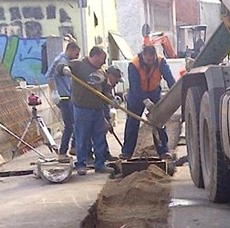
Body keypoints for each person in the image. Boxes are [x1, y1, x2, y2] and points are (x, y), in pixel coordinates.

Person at [60, 45, 116, 176]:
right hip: (82, 109)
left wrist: (111, 99)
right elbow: (61, 65)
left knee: (99, 138)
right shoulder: (79, 65)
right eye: (102, 59)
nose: (103, 63)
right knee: (82, 137)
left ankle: (100, 164)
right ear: (95, 56)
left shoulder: (101, 72)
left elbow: (105, 90)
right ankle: (81, 164)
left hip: (97, 109)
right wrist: (64, 69)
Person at [123, 45, 176, 159]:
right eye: (148, 60)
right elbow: (135, 86)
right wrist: (145, 100)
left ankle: (163, 150)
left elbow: (170, 79)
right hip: (136, 95)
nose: (150, 63)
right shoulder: (134, 64)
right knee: (132, 123)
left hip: (154, 92)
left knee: (159, 122)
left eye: (152, 60)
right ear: (143, 56)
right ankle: (127, 152)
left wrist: (175, 93)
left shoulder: (161, 62)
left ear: (155, 56)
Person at [45, 41, 81, 162]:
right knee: (70, 125)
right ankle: (62, 152)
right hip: (63, 97)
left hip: (69, 95)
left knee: (76, 122)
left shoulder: (67, 61)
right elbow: (49, 76)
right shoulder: (60, 61)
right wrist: (54, 92)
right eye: (76, 54)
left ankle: (74, 147)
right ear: (70, 50)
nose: (76, 57)